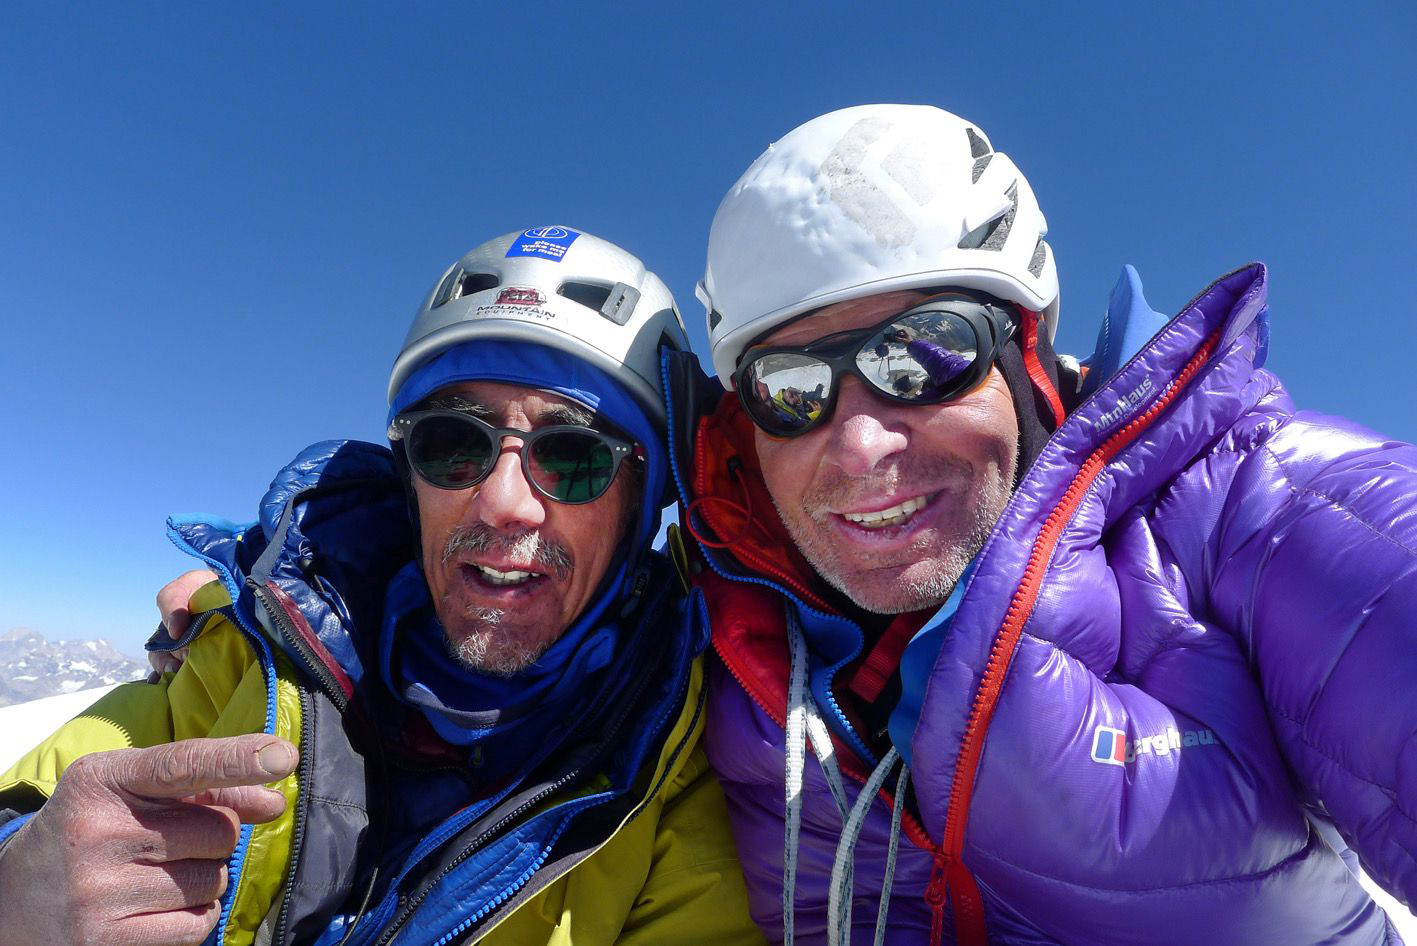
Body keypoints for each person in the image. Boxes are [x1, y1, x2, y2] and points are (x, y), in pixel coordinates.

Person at [669, 104, 1417, 944]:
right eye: (788, 387)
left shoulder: (1240, 510)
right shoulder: (715, 621)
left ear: (1026, 354)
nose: (856, 447)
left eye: (922, 352)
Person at [0, 229, 762, 946]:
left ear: (640, 504)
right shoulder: (240, 661)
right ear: (408, 479)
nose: (503, 502)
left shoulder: (679, 782)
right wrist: (14, 886)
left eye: (575, 458)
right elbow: (53, 799)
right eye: (452, 444)